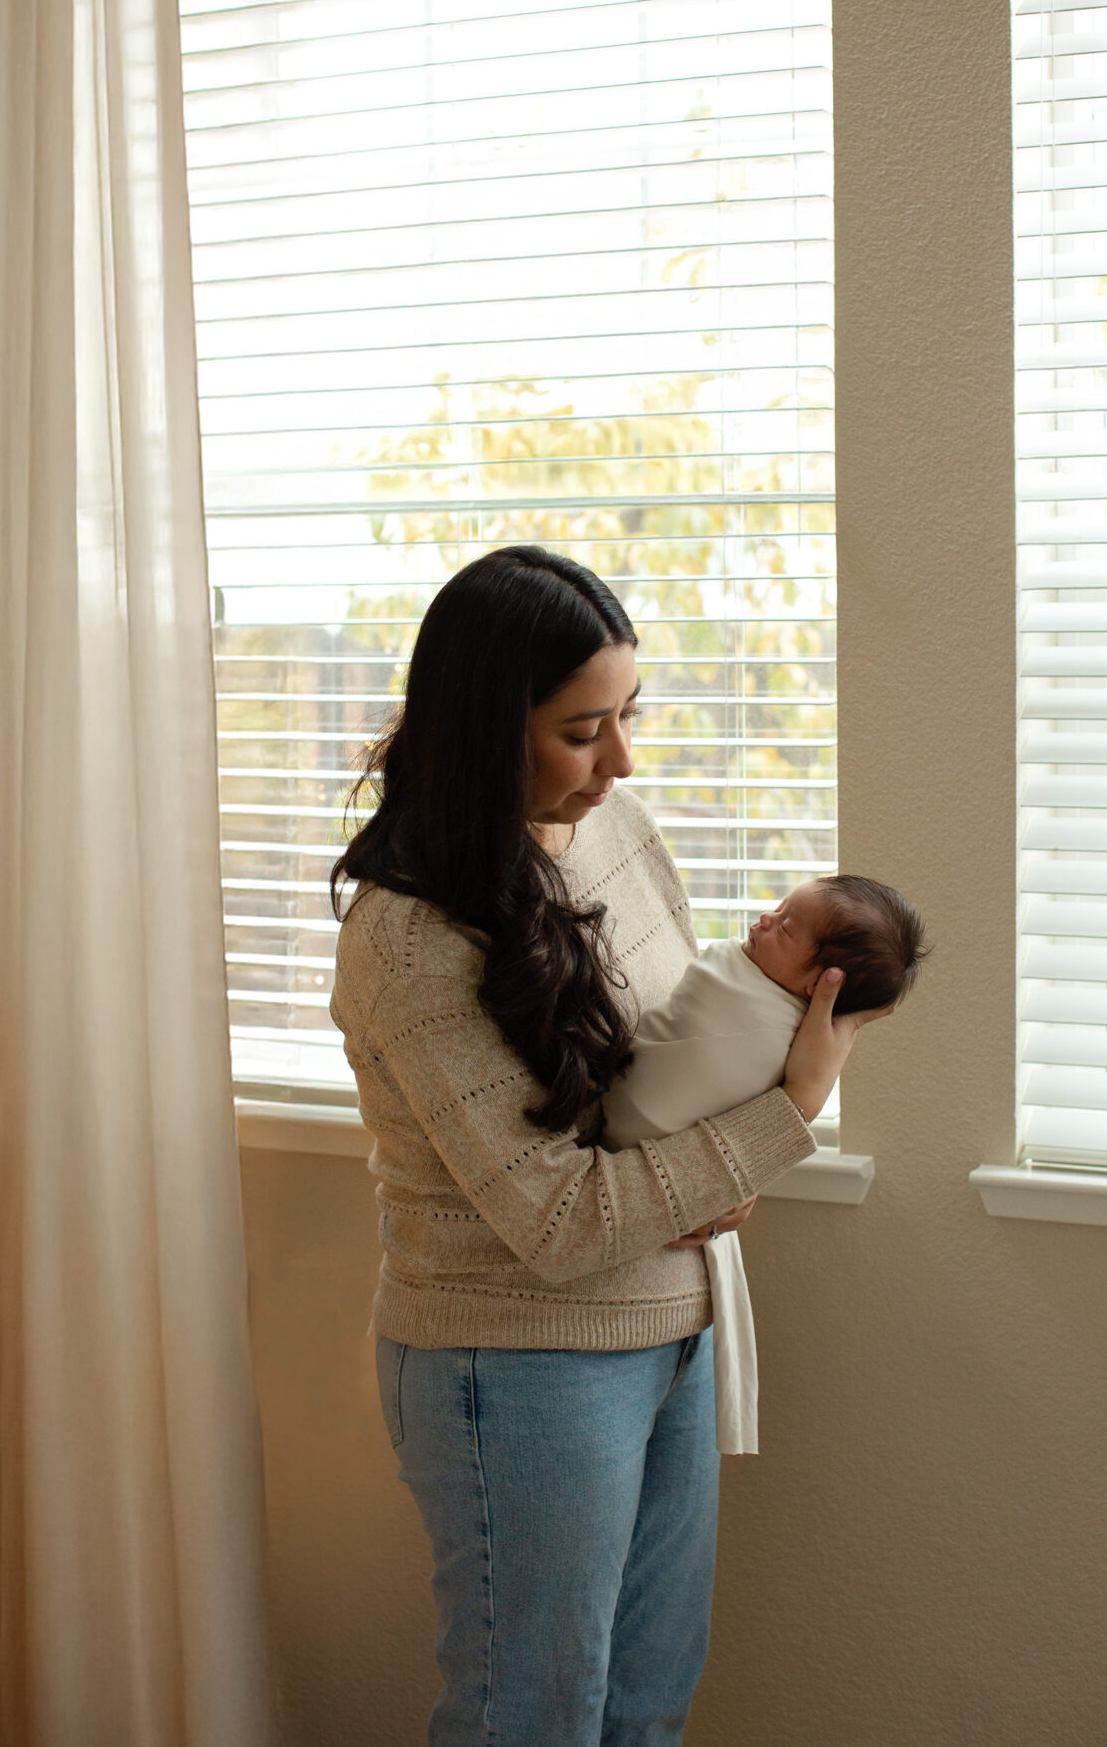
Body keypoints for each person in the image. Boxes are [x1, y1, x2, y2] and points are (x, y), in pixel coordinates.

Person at [329, 545, 891, 1747]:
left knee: (646, 1703)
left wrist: (731, 1157)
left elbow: (667, 1069)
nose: (621, 760)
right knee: (528, 1717)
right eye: (583, 730)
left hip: (674, 1331)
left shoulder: (617, 831)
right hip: (517, 1365)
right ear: (487, 728)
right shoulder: (410, 938)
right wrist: (782, 1119)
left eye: (627, 715)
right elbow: (557, 1221)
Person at [601, 875, 929, 1455]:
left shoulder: (761, 1016)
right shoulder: (744, 987)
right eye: (777, 910)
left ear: (817, 982)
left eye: (786, 927)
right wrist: (794, 1105)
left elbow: (722, 1106)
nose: (761, 922)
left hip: (677, 1309)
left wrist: (731, 1171)